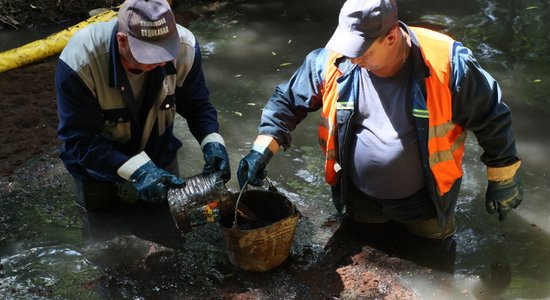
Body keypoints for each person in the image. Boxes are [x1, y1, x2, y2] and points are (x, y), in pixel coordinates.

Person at [237, 0, 523, 239]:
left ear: (391, 38)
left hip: (426, 203)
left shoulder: (447, 63)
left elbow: (492, 116)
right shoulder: (335, 59)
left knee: (434, 260)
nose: (350, 56)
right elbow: (286, 103)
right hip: (360, 198)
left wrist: (502, 179)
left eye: (361, 49)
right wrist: (261, 150)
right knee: (362, 248)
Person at [56, 0, 231, 213]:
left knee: (168, 222)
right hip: (97, 165)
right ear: (122, 41)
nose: (161, 62)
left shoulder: (186, 49)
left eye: (167, 50)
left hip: (159, 155)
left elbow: (197, 106)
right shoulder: (79, 63)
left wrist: (212, 142)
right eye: (150, 55)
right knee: (102, 229)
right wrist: (139, 171)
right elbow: (79, 141)